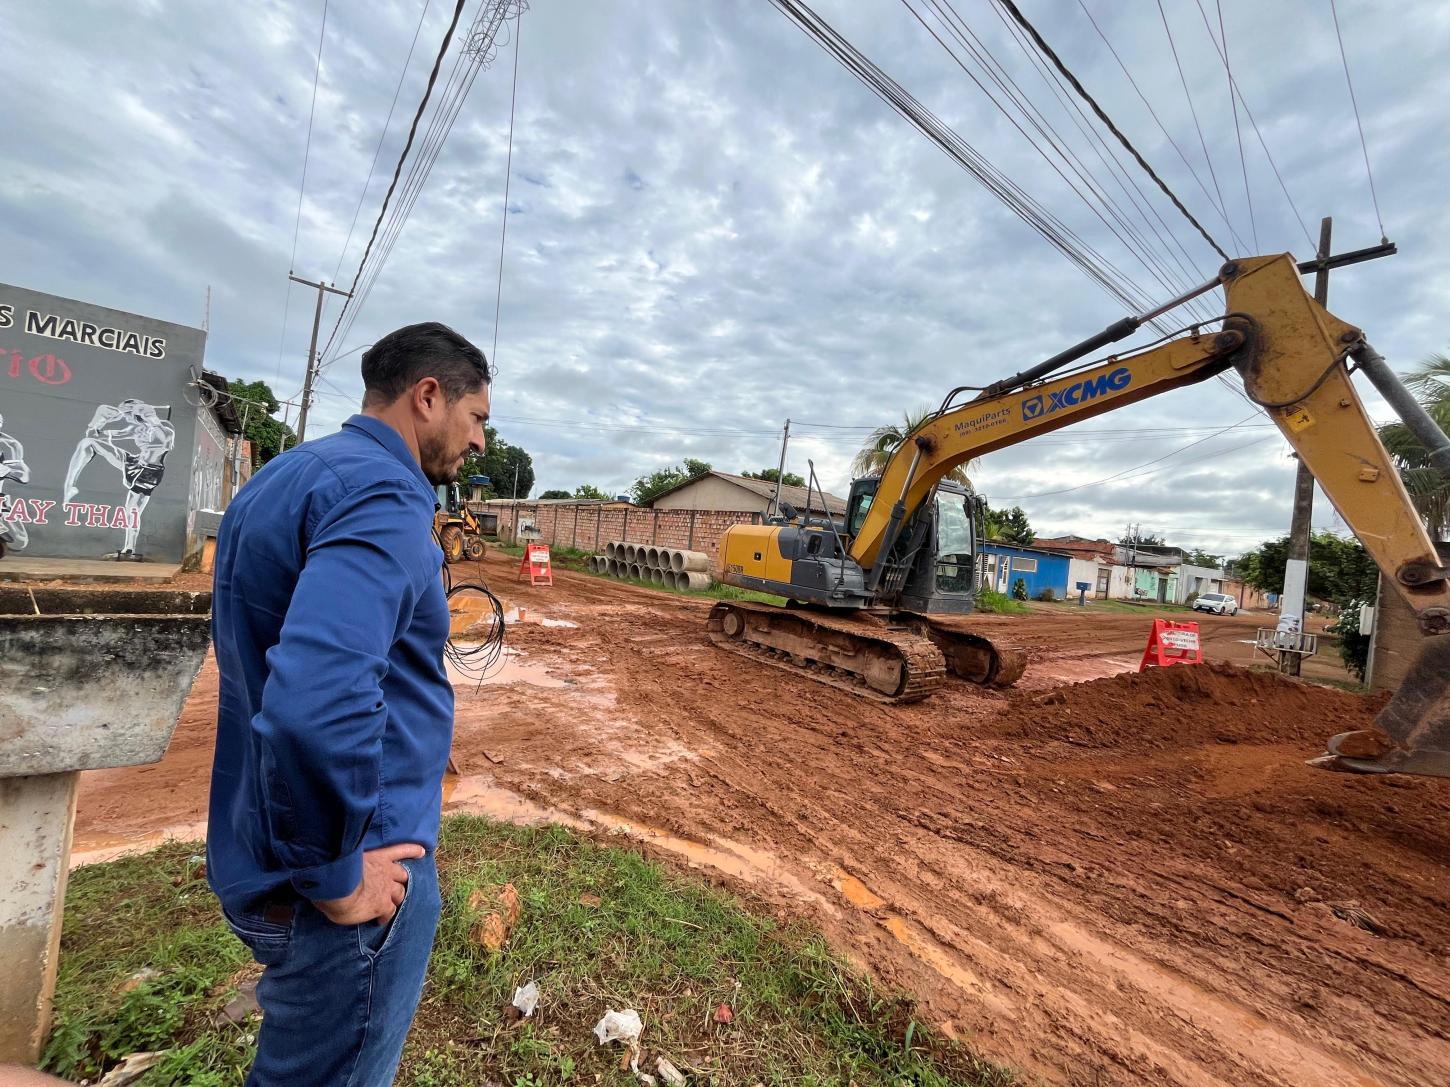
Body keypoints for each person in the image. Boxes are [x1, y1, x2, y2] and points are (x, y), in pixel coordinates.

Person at [207, 322, 490, 1086]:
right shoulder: (384, 497)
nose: (480, 441)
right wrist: (337, 876)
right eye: (476, 417)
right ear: (428, 396)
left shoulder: (286, 476)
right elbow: (316, 701)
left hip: (265, 847)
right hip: (360, 880)